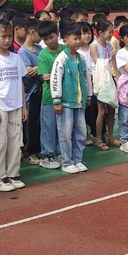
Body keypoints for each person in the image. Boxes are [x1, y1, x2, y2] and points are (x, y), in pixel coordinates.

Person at [0, 21, 26, 192]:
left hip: (16, 104)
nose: (7, 40)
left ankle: (13, 173)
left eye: (9, 36)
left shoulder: (16, 58)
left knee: (16, 141)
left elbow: (20, 83)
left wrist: (24, 106)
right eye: (3, 36)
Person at [50, 22, 90, 173]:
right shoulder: (62, 58)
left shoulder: (81, 58)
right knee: (65, 133)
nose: (78, 41)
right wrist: (57, 100)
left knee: (81, 132)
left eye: (79, 38)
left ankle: (78, 159)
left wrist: (88, 95)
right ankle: (66, 162)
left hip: (80, 102)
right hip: (66, 103)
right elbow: (55, 79)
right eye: (75, 38)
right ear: (65, 40)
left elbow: (86, 78)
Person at [36, 22, 62, 168]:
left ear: (57, 34)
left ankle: (60, 153)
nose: (49, 41)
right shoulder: (43, 54)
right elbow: (45, 76)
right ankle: (47, 156)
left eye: (51, 37)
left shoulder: (65, 50)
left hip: (65, 97)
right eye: (45, 39)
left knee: (62, 128)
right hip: (49, 98)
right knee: (49, 128)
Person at [18, 18, 42, 165]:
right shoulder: (22, 52)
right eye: (40, 33)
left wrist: (38, 68)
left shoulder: (40, 49)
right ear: (32, 32)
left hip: (40, 91)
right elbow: (28, 72)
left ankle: (38, 149)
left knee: (39, 122)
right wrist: (41, 68)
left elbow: (45, 66)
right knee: (30, 123)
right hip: (30, 93)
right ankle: (29, 152)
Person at [90, 19, 117, 149]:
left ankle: (111, 137)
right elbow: (97, 61)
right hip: (100, 80)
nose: (111, 34)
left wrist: (118, 74)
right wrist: (110, 58)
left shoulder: (109, 45)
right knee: (101, 111)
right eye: (109, 32)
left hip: (109, 78)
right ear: (100, 32)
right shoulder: (94, 46)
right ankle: (99, 138)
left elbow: (113, 64)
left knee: (112, 109)